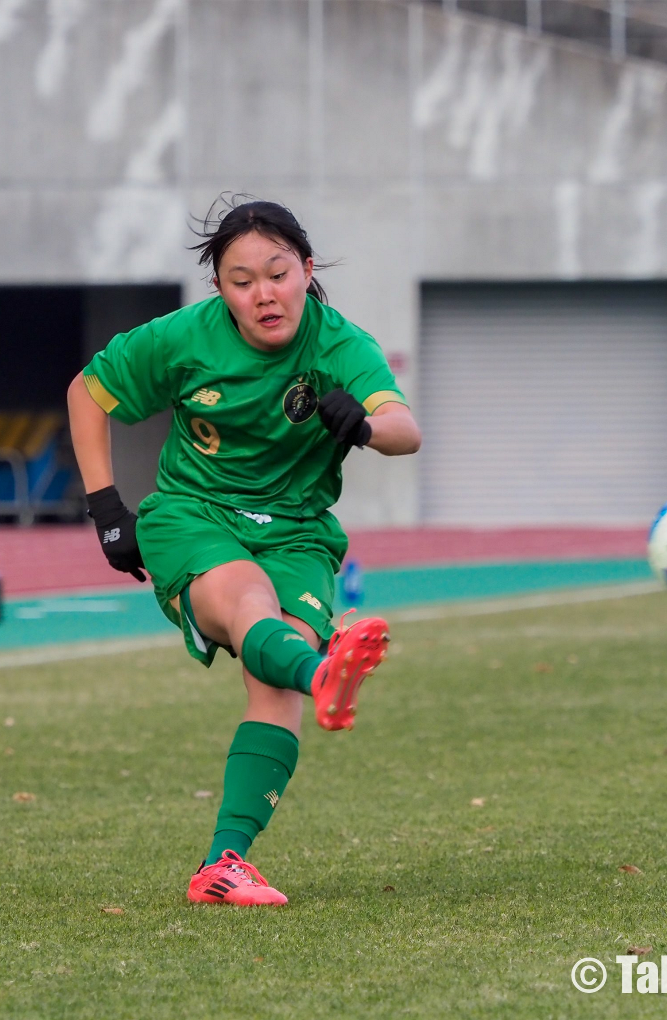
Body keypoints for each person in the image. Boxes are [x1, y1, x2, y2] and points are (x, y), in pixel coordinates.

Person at [67, 199, 421, 905]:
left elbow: (404, 429)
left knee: (275, 684)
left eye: (278, 273)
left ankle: (222, 866)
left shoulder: (337, 344)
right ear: (221, 290)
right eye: (241, 280)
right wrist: (107, 508)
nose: (264, 293)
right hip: (196, 516)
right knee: (250, 605)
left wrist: (363, 426)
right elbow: (88, 392)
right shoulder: (184, 339)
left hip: (296, 531)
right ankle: (325, 673)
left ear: (306, 269)